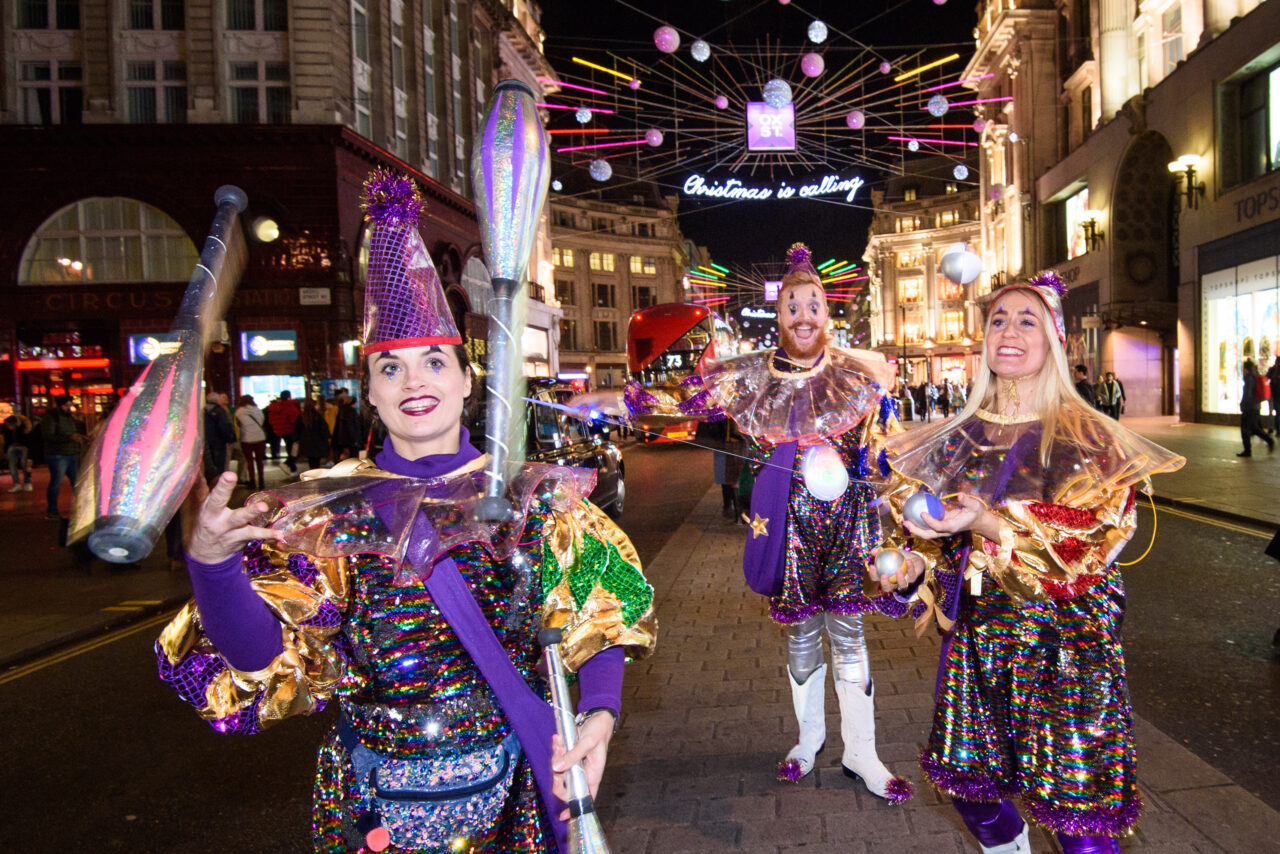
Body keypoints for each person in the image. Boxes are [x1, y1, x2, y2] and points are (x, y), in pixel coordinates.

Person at [155, 170, 656, 851]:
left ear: (466, 377)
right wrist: (212, 566)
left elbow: (606, 609)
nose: (414, 381)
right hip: (375, 806)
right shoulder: (328, 514)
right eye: (390, 368)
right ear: (367, 388)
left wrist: (599, 716)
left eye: (433, 362)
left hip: (512, 793)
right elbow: (260, 656)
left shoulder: (531, 500)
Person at [572, 242, 912, 802]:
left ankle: (863, 751)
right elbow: (684, 401)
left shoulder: (858, 376)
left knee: (849, 637)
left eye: (813, 305)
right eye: (792, 307)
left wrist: (884, 484)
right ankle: (809, 741)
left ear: (828, 313)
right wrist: (620, 399)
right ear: (779, 315)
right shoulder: (755, 377)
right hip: (790, 534)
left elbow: (886, 451)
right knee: (802, 636)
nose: (803, 316)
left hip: (849, 531)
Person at [876, 271, 1185, 854]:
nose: (1009, 331)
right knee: (971, 790)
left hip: (1065, 650)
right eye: (998, 320)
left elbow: (1089, 545)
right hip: (979, 643)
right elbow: (935, 544)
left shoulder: (1093, 439)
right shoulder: (953, 438)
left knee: (1079, 827)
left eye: (1027, 320)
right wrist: (912, 569)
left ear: (1053, 340)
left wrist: (989, 522)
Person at [39, 395, 85, 519]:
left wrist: (76, 438)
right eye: (67, 404)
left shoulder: (68, 417)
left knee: (76, 482)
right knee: (56, 482)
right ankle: (52, 510)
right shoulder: (51, 417)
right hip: (58, 454)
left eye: (70, 404)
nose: (69, 407)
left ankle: (82, 508)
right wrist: (69, 438)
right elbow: (47, 435)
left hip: (70, 452)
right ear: (61, 405)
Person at [1238, 359, 1274, 457]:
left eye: (1243, 368)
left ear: (1246, 369)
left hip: (1249, 408)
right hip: (1255, 407)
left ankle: (1248, 451)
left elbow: (1248, 394)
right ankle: (1268, 441)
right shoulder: (1254, 377)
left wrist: (1243, 405)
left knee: (1245, 430)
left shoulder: (1249, 379)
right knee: (1254, 428)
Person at [233, 395, 268, 490]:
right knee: (259, 461)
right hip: (260, 437)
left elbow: (237, 425)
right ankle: (261, 480)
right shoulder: (257, 410)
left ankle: (252, 481)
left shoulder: (239, 412)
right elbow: (261, 421)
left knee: (249, 461)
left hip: (246, 439)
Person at [203, 391, 235, 485]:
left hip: (207, 442)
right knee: (220, 464)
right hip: (219, 441)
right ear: (217, 400)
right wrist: (229, 439)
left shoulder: (203, 410)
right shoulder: (219, 410)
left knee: (210, 464)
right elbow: (224, 426)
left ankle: (210, 483)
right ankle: (218, 485)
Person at [294, 396, 332, 470]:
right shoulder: (318, 416)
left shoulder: (301, 417)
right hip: (318, 442)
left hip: (306, 442)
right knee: (316, 460)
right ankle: (315, 471)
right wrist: (327, 438)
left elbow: (297, 430)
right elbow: (324, 429)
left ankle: (312, 470)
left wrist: (296, 439)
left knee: (311, 459)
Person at [266, 390, 300, 472]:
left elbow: (271, 420)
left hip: (281, 431)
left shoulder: (275, 407)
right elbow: (294, 420)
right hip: (291, 431)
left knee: (290, 449)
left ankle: (293, 469)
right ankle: (288, 464)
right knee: (295, 450)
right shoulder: (290, 406)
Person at [3, 413, 34, 492]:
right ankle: (17, 484)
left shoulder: (24, 426)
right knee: (12, 465)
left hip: (24, 446)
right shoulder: (7, 428)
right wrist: (6, 449)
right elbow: (6, 439)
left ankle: (27, 482)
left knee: (25, 464)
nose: (10, 428)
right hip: (13, 446)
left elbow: (29, 440)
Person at [331, 387, 362, 461]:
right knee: (352, 458)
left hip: (343, 440)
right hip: (350, 441)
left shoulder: (342, 410)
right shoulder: (351, 412)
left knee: (347, 457)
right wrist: (355, 440)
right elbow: (351, 427)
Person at [1267, 357, 1280, 434]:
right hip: (1275, 394)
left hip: (1273, 393)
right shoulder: (1273, 370)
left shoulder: (1272, 369)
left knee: (1272, 411)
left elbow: (1266, 377)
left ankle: (1273, 428)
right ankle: (1277, 429)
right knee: (1278, 412)